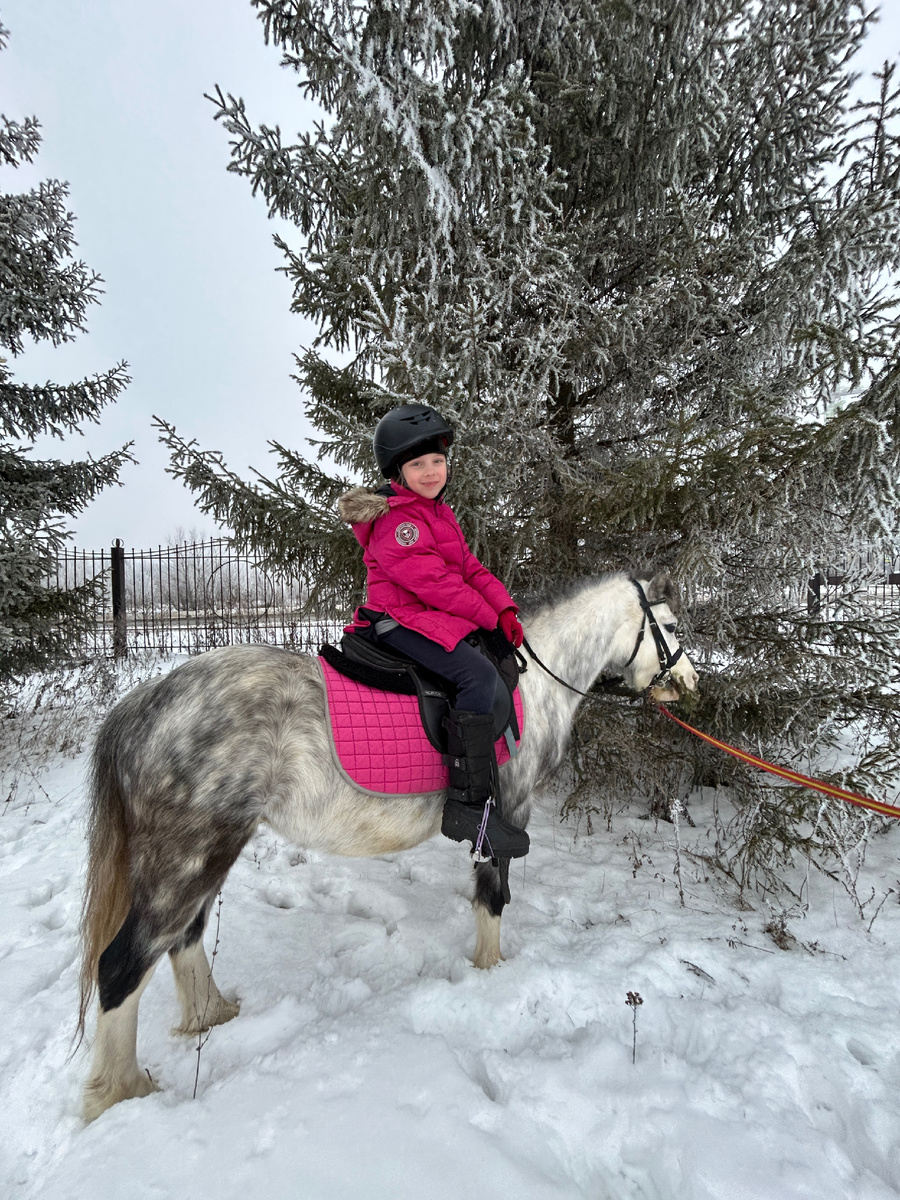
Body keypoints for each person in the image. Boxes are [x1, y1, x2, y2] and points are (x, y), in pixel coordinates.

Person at [337, 404, 529, 859]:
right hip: (398, 621)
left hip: (431, 617)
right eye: (418, 464)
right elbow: (437, 585)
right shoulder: (397, 522)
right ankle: (468, 806)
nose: (430, 472)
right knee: (477, 677)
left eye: (437, 461)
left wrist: (503, 609)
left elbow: (469, 569)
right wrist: (486, 620)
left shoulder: (440, 515)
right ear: (398, 471)